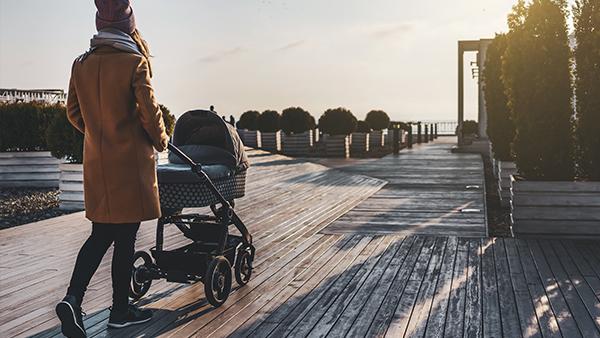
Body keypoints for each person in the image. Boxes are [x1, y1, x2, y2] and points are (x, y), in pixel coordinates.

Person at [55, 1, 169, 337]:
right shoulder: (135, 62)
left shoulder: (81, 64)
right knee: (126, 238)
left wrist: (99, 135)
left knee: (100, 234)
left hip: (98, 166)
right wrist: (161, 141)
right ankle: (120, 311)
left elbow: (73, 113)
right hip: (129, 166)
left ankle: (73, 299)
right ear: (128, 25)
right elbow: (149, 114)